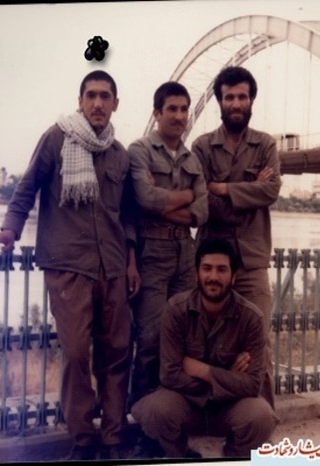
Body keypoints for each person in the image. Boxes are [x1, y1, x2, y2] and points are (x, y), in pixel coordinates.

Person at [0, 70, 139, 461]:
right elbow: (27, 189)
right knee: (76, 354)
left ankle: (113, 437)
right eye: (91, 95)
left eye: (105, 96)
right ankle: (83, 438)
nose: (98, 103)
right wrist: (10, 231)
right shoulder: (56, 139)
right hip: (69, 267)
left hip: (113, 267)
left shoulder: (120, 154)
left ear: (116, 104)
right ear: (80, 101)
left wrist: (131, 260)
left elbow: (127, 215)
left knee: (117, 352)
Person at [131, 238, 278, 459]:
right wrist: (228, 378)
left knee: (261, 417)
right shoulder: (176, 310)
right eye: (207, 268)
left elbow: (253, 384)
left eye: (222, 270)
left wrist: (204, 371)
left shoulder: (251, 318)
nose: (213, 277)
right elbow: (169, 375)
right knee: (156, 411)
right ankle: (182, 457)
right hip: (187, 403)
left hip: (230, 407)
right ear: (197, 274)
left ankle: (232, 458)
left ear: (233, 276)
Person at [191, 66, 281, 408]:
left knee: (258, 342)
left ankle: (261, 417)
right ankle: (212, 413)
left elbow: (271, 191)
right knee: (209, 342)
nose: (236, 103)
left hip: (252, 261)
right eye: (229, 97)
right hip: (212, 263)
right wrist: (249, 190)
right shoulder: (202, 146)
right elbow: (204, 201)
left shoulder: (265, 144)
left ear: (251, 100)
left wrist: (225, 188)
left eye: (242, 96)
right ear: (219, 101)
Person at [128, 81, 208, 406]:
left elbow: (202, 212)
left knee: (182, 337)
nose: (179, 116)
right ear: (157, 113)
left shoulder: (192, 159)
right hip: (152, 253)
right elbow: (144, 198)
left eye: (184, 109)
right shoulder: (140, 150)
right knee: (150, 339)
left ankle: (172, 411)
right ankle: (142, 412)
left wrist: (165, 206)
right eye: (171, 109)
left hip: (185, 255)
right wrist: (186, 196)